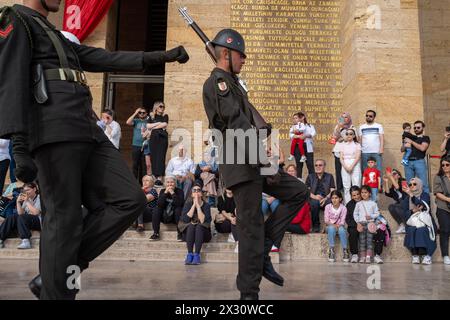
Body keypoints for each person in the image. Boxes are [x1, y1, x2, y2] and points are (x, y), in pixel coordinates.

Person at [0, 0, 189, 299]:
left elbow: (105, 58)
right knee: (64, 221)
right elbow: (10, 80)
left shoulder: (54, 33)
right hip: (53, 127)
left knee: (130, 199)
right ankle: (57, 288)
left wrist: (159, 57)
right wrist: (19, 144)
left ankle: (61, 270)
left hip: (86, 127)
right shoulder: (16, 19)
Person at [202, 29, 308, 300]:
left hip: (253, 158)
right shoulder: (218, 83)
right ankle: (249, 295)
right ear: (225, 54)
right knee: (250, 226)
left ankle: (264, 249)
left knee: (298, 192)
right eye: (241, 54)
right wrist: (265, 163)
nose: (245, 59)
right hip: (240, 162)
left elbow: (248, 123)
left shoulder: (232, 82)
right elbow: (236, 124)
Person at [402, 177, 436, 265]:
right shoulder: (407, 198)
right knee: (411, 230)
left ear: (420, 185)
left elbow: (422, 206)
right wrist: (412, 211)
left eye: (414, 184)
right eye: (410, 184)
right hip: (412, 221)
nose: (412, 186)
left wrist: (412, 195)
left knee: (422, 230)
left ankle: (426, 255)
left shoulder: (425, 195)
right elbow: (405, 213)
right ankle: (415, 255)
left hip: (425, 221)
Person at [178, 182, 212, 265]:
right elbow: (186, 219)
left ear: (201, 193)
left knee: (199, 226)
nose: (196, 192)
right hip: (189, 234)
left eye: (198, 190)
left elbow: (202, 220)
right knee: (191, 226)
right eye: (194, 190)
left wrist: (198, 205)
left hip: (204, 234)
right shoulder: (187, 204)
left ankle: (196, 255)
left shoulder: (206, 205)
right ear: (191, 194)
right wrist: (194, 205)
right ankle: (190, 254)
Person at [0, 182, 41, 249]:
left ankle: (26, 241)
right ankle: (0, 239)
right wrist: (18, 202)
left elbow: (36, 213)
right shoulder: (27, 199)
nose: (26, 192)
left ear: (34, 189)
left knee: (22, 217)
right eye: (25, 191)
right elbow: (20, 213)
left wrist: (27, 201)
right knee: (12, 217)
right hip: (28, 220)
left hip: (39, 221)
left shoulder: (40, 198)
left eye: (28, 190)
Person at [150, 175, 185, 241]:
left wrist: (172, 193)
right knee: (156, 209)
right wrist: (165, 193)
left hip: (175, 217)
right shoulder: (163, 191)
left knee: (178, 209)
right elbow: (159, 204)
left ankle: (180, 233)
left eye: (172, 182)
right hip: (164, 216)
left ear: (175, 183)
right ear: (165, 184)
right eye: (168, 182)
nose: (170, 184)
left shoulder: (180, 191)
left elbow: (179, 204)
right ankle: (156, 233)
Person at [305, 159, 335, 233]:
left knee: (330, 203)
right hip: (314, 197)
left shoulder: (329, 176)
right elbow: (307, 191)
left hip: (326, 198)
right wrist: (315, 197)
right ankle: (316, 226)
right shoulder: (310, 176)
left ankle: (329, 226)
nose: (318, 167)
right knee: (314, 203)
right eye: (316, 165)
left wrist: (325, 198)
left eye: (320, 165)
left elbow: (332, 191)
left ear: (324, 166)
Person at [353, 185, 380, 263]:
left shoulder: (373, 203)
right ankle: (362, 257)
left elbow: (377, 213)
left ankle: (368, 256)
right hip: (361, 224)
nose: (364, 194)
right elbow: (355, 214)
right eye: (362, 192)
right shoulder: (358, 204)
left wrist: (371, 216)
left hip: (370, 224)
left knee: (369, 240)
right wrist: (358, 222)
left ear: (370, 194)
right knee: (362, 241)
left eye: (366, 192)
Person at [401, 120, 430, 193]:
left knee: (423, 183)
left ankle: (426, 203)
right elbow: (402, 150)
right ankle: (411, 202)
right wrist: (404, 144)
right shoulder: (410, 136)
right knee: (409, 184)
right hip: (408, 162)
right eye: (415, 128)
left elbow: (423, 148)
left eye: (418, 127)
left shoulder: (425, 138)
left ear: (423, 128)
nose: (416, 129)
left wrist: (412, 142)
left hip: (419, 161)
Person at [335, 128, 362, 204]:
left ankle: (357, 204)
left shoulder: (357, 145)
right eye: (347, 134)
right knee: (346, 186)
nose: (348, 135)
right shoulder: (342, 145)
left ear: (354, 135)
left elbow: (358, 157)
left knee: (356, 184)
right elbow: (340, 158)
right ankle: (348, 204)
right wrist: (346, 167)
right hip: (345, 165)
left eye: (350, 134)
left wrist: (351, 166)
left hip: (355, 164)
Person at [331, 112, 357, 191]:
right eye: (342, 117)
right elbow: (334, 138)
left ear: (349, 118)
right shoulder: (338, 127)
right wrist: (339, 127)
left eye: (346, 117)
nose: (344, 119)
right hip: (338, 152)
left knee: (349, 172)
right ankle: (339, 189)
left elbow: (350, 138)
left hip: (349, 153)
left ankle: (351, 190)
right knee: (338, 172)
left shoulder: (353, 127)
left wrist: (342, 138)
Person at [433, 156, 450, 265]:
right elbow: (437, 193)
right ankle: (445, 255)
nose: (444, 167)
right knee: (445, 230)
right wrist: (448, 199)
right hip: (443, 206)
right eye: (442, 165)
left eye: (447, 164)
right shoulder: (438, 177)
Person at [324, 190, 349, 262]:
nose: (334, 200)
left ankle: (345, 250)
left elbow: (342, 221)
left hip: (339, 226)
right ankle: (331, 250)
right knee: (331, 228)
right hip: (329, 226)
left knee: (342, 230)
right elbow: (326, 220)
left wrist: (338, 225)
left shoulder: (343, 208)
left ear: (340, 199)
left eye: (336, 198)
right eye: (332, 198)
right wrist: (333, 225)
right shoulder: (328, 207)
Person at [289, 112, 316, 178]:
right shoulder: (294, 126)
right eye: (294, 118)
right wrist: (299, 136)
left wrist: (306, 135)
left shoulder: (310, 126)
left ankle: (312, 183)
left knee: (310, 165)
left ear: (302, 117)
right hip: (297, 146)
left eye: (297, 118)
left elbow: (313, 133)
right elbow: (291, 135)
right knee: (299, 165)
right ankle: (299, 182)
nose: (295, 120)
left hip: (307, 146)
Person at [126, 107, 150, 182]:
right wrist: (135, 113)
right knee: (135, 164)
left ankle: (142, 183)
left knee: (144, 165)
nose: (142, 114)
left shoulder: (148, 121)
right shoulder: (136, 121)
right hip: (136, 145)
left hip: (145, 145)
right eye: (140, 112)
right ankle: (134, 182)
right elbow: (128, 122)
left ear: (146, 113)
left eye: (143, 112)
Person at [148, 101, 169, 183]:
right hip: (153, 139)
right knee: (153, 157)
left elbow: (164, 124)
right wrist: (158, 124)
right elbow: (147, 125)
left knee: (161, 157)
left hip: (162, 138)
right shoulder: (152, 116)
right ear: (156, 107)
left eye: (163, 106)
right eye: (160, 106)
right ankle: (155, 177)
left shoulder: (165, 116)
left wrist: (153, 127)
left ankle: (160, 178)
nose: (162, 108)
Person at [383, 168, 408, 233]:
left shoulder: (403, 181)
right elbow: (387, 193)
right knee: (391, 207)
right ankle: (401, 224)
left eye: (394, 174)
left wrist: (390, 176)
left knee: (397, 207)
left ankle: (406, 225)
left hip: (407, 201)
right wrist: (386, 181)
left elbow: (398, 187)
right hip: (400, 202)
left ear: (399, 176)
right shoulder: (393, 187)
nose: (392, 175)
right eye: (391, 174)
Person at [346, 186, 361, 263]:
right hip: (354, 225)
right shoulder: (349, 205)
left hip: (366, 224)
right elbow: (348, 219)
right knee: (352, 232)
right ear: (351, 196)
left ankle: (374, 254)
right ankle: (354, 254)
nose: (356, 197)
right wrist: (356, 225)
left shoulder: (366, 202)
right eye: (354, 195)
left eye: (358, 194)